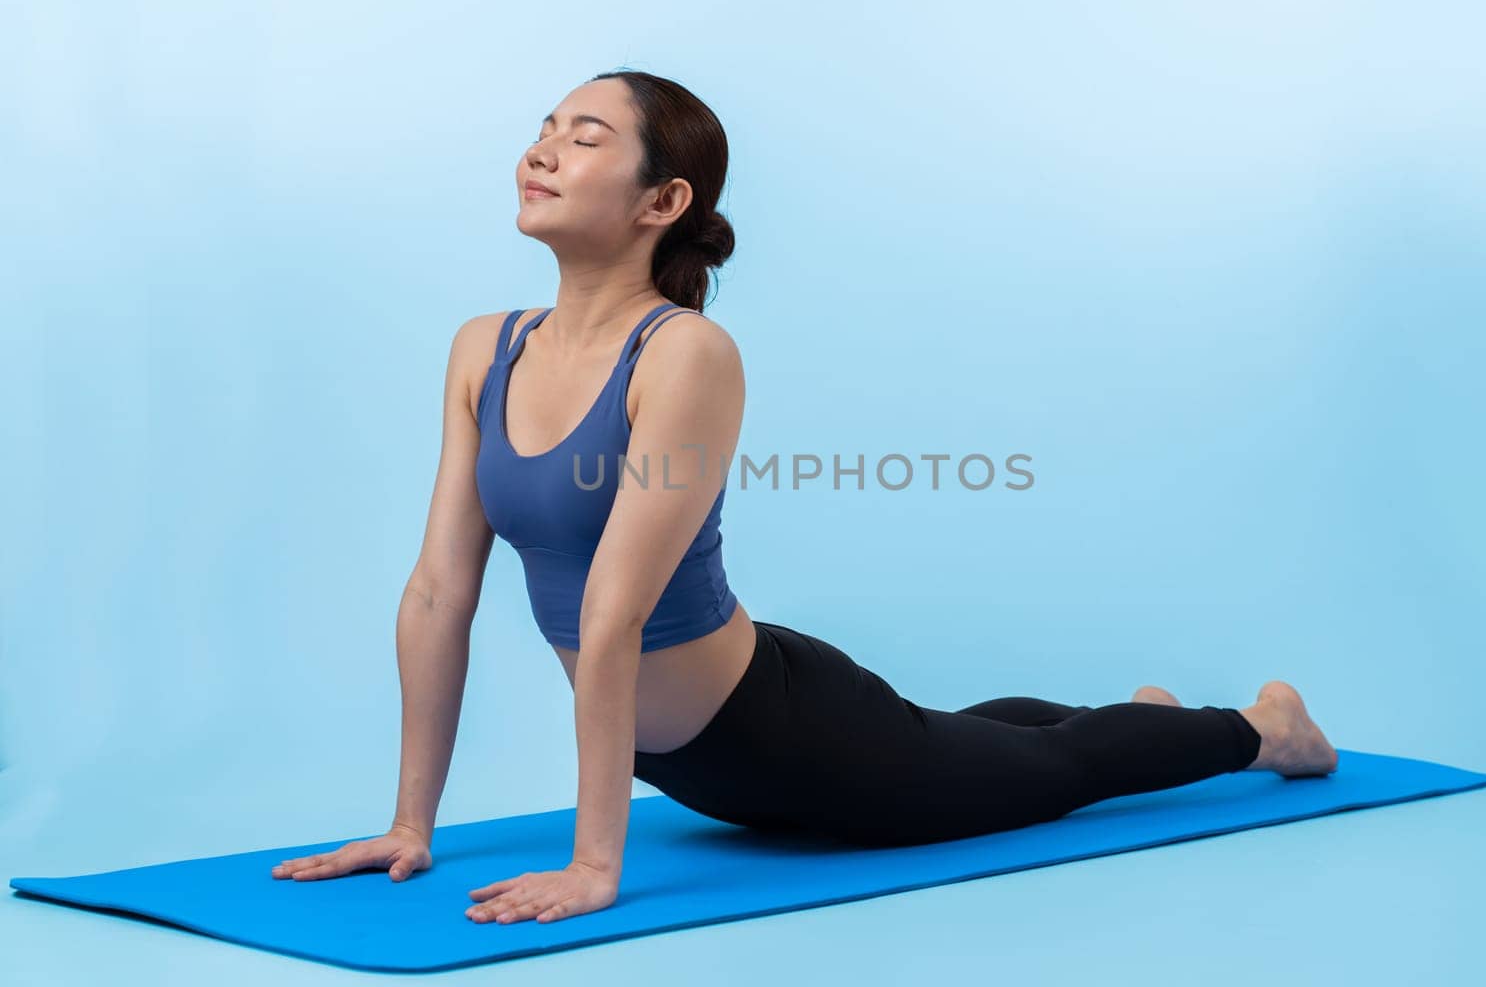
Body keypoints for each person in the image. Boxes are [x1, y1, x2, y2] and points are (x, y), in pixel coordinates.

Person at [270, 69, 1338, 926]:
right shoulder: (483, 347)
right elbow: (435, 592)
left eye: (586, 136)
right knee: (967, 744)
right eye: (543, 124)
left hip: (794, 735)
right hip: (696, 763)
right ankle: (1143, 719)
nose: (543, 147)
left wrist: (598, 863)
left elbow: (615, 615)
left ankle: (1260, 726)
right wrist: (412, 824)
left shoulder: (682, 353)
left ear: (662, 201)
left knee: (1044, 772)